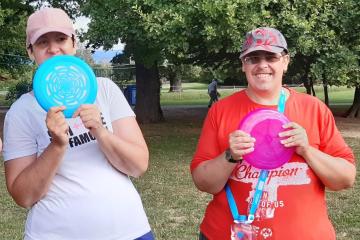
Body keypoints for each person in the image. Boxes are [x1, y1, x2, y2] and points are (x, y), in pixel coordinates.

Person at [190, 27, 356, 240]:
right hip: (226, 233)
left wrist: (307, 150)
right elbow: (204, 183)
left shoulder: (313, 108)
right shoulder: (221, 111)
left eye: (271, 57)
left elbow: (345, 179)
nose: (262, 65)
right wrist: (230, 155)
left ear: (285, 62)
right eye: (253, 58)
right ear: (243, 65)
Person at [3, 8, 154, 240]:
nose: (54, 49)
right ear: (30, 51)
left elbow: (139, 165)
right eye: (43, 42)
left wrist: (101, 132)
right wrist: (56, 145)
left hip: (129, 230)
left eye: (61, 39)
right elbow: (23, 197)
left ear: (74, 43)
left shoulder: (104, 89)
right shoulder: (21, 111)